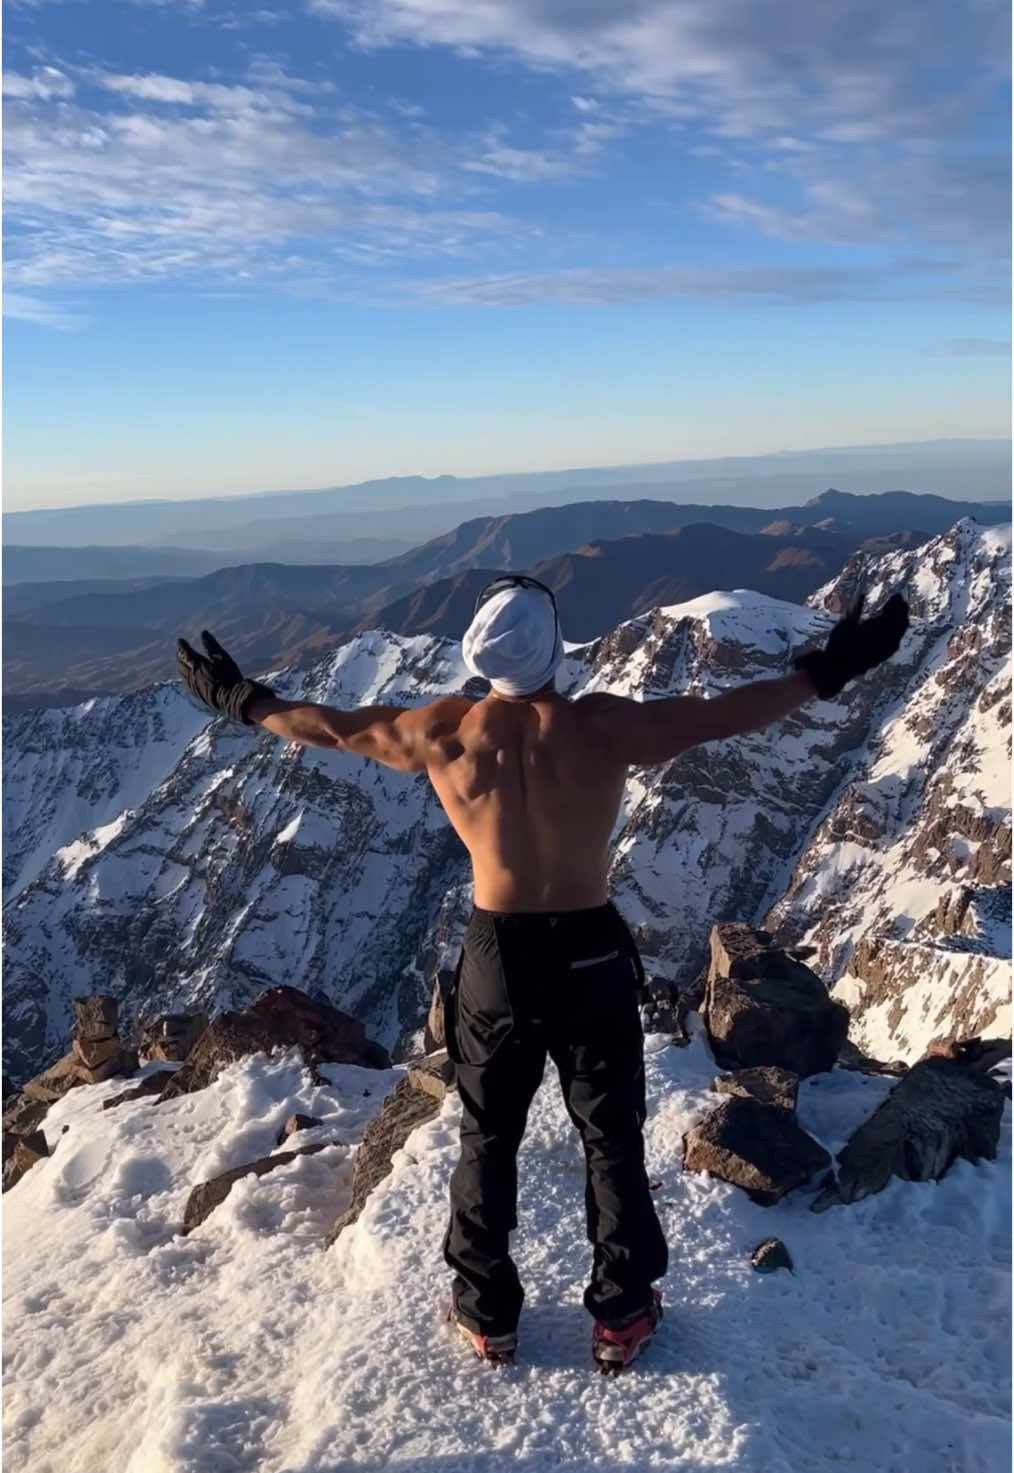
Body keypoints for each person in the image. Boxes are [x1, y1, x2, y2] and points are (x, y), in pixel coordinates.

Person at [176, 576, 908, 1372]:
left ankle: (487, 1313)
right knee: (611, 1136)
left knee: (488, 1134)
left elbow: (332, 728)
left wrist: (242, 699)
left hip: (498, 955)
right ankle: (624, 1312)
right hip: (590, 951)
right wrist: (827, 669)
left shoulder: (441, 734)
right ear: (555, 648)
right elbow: (719, 715)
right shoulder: (602, 727)